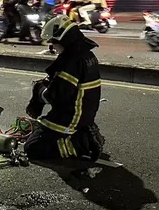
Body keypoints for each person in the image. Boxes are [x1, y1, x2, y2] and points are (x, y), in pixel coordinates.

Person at [24, 16, 104, 161]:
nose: (52, 46)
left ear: (63, 39)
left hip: (71, 118)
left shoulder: (71, 62)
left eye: (53, 42)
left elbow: (56, 96)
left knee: (33, 147)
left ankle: (80, 144)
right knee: (39, 129)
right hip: (83, 113)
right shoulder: (86, 54)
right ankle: (84, 131)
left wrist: (39, 91)